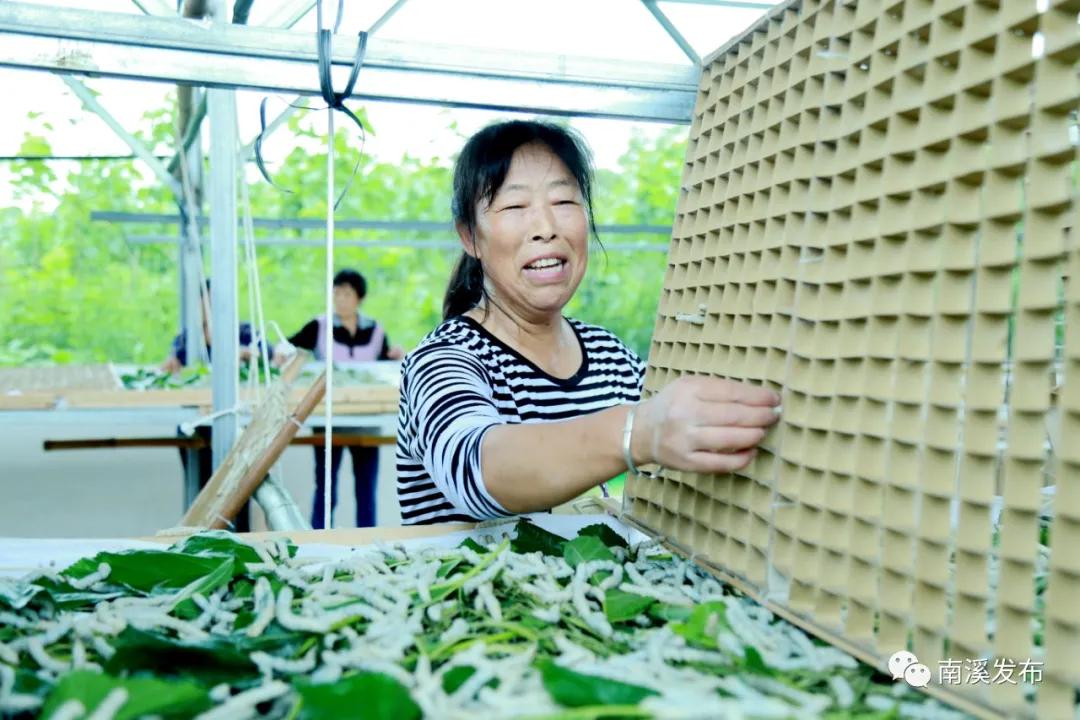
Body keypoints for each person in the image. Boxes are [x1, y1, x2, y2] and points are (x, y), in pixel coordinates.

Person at [395, 120, 781, 525]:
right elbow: (475, 471)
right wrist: (641, 431)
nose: (546, 228)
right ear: (470, 237)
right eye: (514, 207)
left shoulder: (611, 356)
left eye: (564, 202)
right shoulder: (443, 359)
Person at [276, 268, 404, 529]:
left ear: (360, 298)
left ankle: (369, 541)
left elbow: (382, 369)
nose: (341, 299)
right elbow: (289, 347)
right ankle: (318, 539)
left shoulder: (376, 330)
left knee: (366, 488)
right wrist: (281, 353)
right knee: (325, 487)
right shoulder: (319, 326)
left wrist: (395, 356)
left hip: (367, 421)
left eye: (347, 294)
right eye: (336, 293)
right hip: (329, 421)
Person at [162, 279, 264, 533]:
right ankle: (199, 539)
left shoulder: (246, 333)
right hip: (198, 426)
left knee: (237, 493)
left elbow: (265, 357)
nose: (211, 308)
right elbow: (176, 368)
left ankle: (239, 543)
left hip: (236, 426)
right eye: (206, 302)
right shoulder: (189, 339)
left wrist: (242, 353)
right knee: (202, 493)